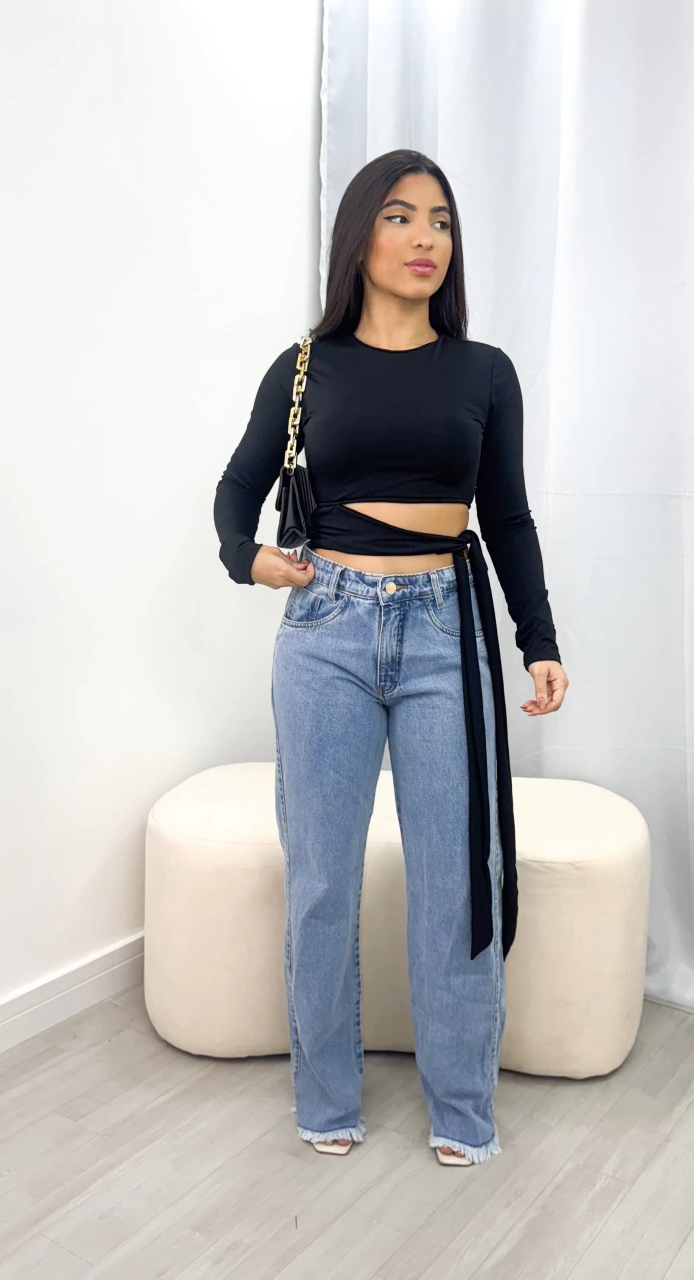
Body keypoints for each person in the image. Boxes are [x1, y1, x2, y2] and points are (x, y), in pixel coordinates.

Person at [213, 148, 568, 1166]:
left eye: (441, 221)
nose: (426, 239)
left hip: (446, 630)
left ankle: (462, 1108)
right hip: (324, 628)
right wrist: (250, 559)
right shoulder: (304, 368)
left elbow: (506, 516)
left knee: (456, 878)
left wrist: (538, 639)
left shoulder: (483, 371)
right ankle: (326, 1097)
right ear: (359, 234)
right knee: (323, 879)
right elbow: (237, 489)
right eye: (402, 216)